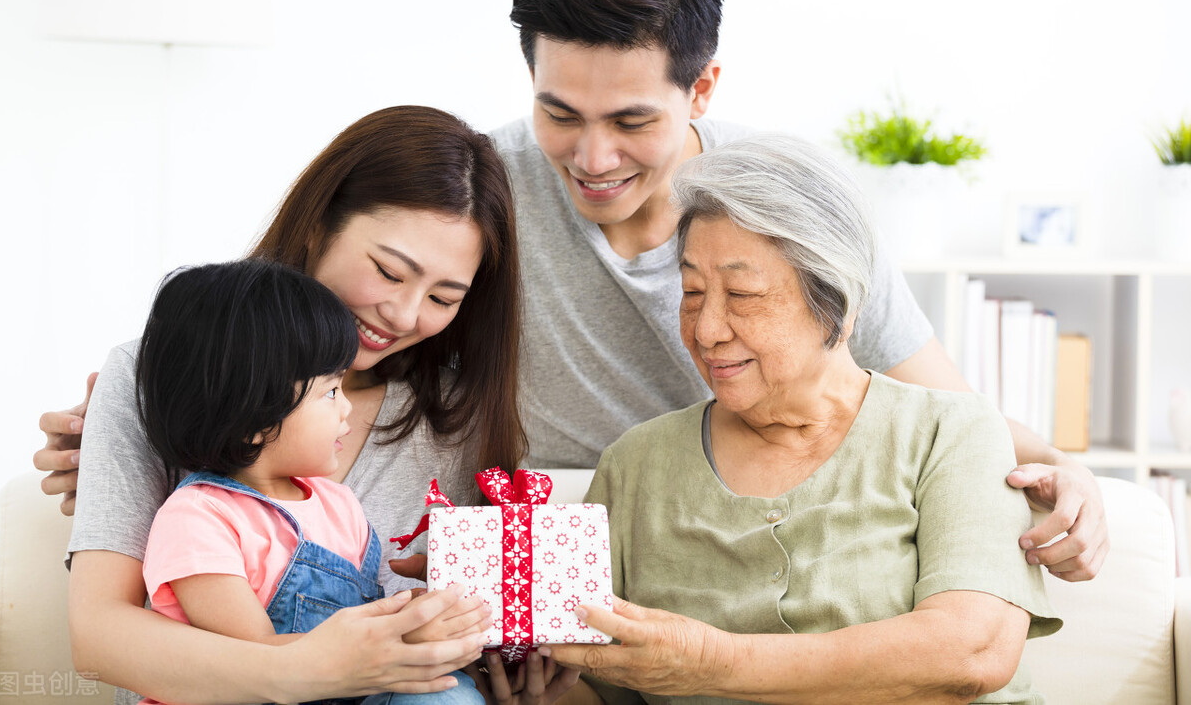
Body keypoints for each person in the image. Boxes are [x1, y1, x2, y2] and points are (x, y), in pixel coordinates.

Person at [487, 0, 1105, 579]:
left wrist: (1064, 469)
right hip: (563, 522)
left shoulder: (783, 197)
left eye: (631, 120)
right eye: (559, 114)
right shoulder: (481, 190)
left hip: (745, 520)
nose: (593, 157)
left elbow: (940, 402)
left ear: (701, 90)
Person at [54, 106, 576, 704]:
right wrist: (307, 672)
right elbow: (97, 636)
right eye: (387, 271)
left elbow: (441, 633)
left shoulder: (456, 418)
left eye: (443, 296)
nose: (404, 316)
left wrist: (498, 667)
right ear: (318, 225)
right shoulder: (154, 375)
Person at [546, 134, 1062, 704]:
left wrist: (711, 662)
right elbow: (604, 687)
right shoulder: (635, 464)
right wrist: (537, 688)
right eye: (692, 291)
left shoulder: (951, 433)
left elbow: (972, 651)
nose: (707, 328)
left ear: (835, 306)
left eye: (743, 294)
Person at [132, 258, 481, 705]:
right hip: (254, 692)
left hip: (343, 690)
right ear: (254, 419)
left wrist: (414, 618)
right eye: (330, 391)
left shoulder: (339, 505)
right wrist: (395, 639)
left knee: (447, 695)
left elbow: (362, 623)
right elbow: (255, 664)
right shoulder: (198, 519)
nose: (346, 409)